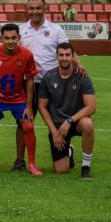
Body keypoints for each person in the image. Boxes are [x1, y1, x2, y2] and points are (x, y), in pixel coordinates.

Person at [16, 0, 83, 171]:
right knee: (23, 122)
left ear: (45, 9)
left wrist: (79, 65)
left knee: (58, 120)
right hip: (28, 83)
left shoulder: (55, 30)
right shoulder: (21, 30)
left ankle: (65, 150)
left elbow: (66, 50)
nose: (35, 11)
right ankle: (20, 160)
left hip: (54, 84)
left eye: (38, 8)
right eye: (32, 8)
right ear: (27, 9)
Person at [0, 23, 42, 176]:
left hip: (18, 98)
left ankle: (32, 164)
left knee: (28, 126)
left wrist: (29, 106)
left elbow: (30, 81)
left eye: (14, 38)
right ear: (1, 38)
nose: (10, 41)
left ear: (19, 38)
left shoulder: (27, 54)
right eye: (7, 38)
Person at [37, 42, 95, 179]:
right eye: (61, 55)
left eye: (68, 55)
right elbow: (42, 106)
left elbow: (91, 107)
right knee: (61, 170)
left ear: (73, 56)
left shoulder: (82, 76)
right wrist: (53, 132)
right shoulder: (49, 77)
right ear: (56, 56)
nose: (64, 58)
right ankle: (68, 152)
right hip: (58, 126)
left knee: (88, 124)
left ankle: (86, 167)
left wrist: (70, 120)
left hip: (76, 121)